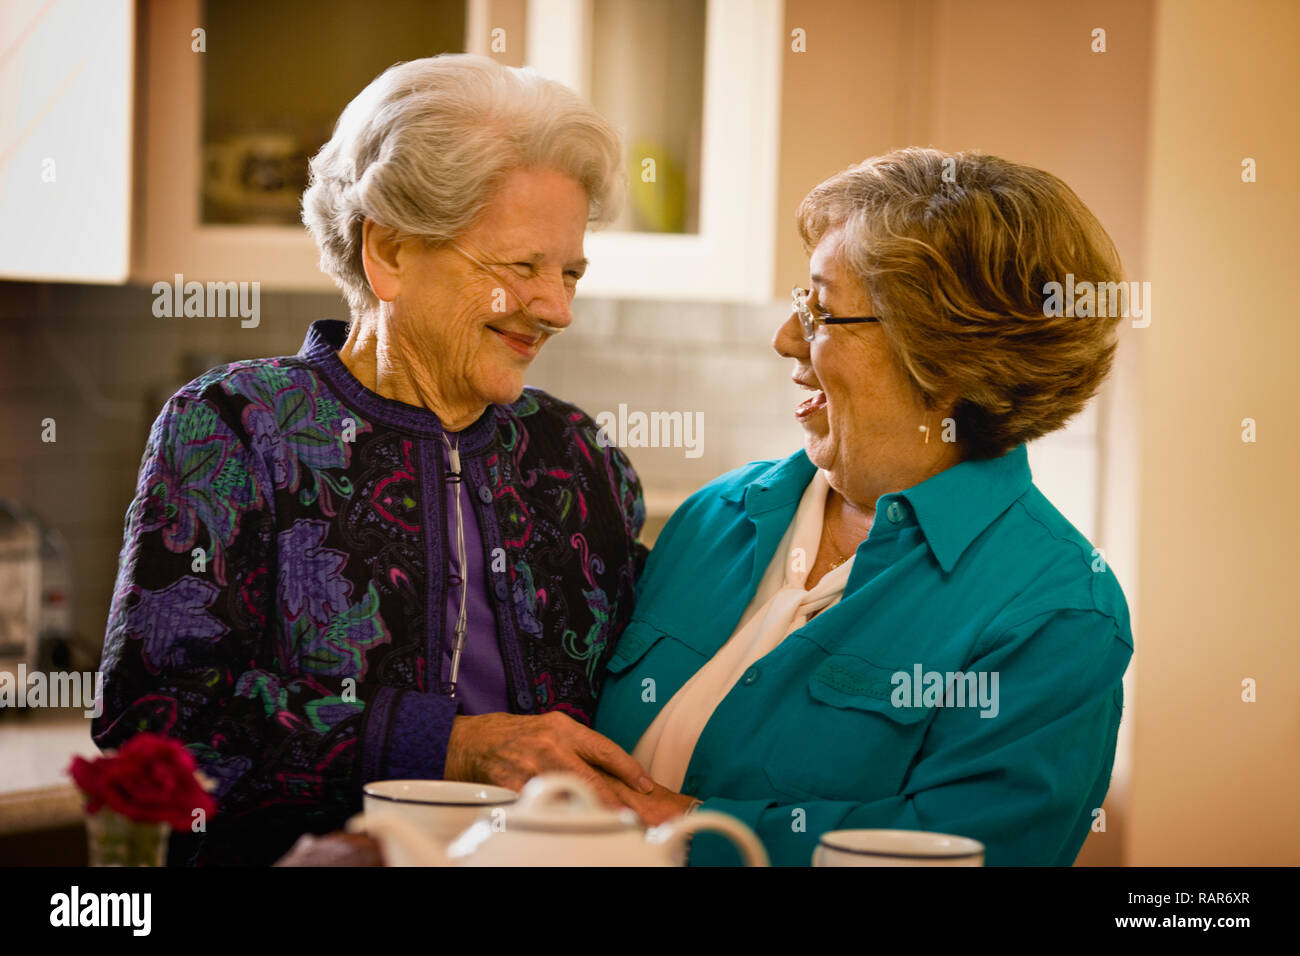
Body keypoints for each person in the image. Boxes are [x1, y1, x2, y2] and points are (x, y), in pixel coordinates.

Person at [95, 54, 655, 865]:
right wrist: (450, 745)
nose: (557, 308)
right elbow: (152, 729)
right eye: (521, 267)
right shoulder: (239, 427)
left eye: (570, 272)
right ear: (389, 251)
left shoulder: (580, 460)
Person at [593, 147, 1135, 866]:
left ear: (945, 358)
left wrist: (681, 823)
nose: (786, 338)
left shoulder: (1057, 613)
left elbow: (967, 854)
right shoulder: (713, 516)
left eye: (821, 312)